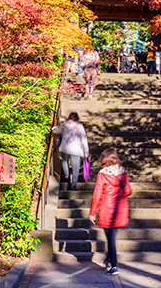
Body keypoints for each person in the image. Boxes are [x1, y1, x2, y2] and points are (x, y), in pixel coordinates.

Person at [89, 148, 132, 276]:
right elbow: (128, 191)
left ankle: (114, 266)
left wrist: (92, 213)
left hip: (107, 211)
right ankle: (108, 261)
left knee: (111, 240)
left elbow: (97, 195)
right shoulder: (123, 173)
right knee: (112, 238)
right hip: (120, 210)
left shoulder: (102, 174)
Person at [52, 112, 89, 190]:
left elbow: (55, 130)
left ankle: (67, 177)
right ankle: (73, 185)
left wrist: (52, 127)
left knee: (64, 161)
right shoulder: (79, 127)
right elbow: (84, 140)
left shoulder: (64, 125)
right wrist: (86, 152)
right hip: (76, 150)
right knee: (75, 167)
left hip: (65, 149)